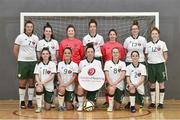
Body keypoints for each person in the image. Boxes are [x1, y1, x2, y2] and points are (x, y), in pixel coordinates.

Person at [13, 20, 39, 109]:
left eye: (31, 27)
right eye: (28, 26)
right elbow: (15, 49)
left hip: (33, 62)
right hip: (23, 62)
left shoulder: (36, 38)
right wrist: (19, 60)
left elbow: (37, 50)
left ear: (33, 28)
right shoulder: (20, 37)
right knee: (22, 82)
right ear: (25, 27)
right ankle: (22, 102)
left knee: (32, 82)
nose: (29, 28)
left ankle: (30, 102)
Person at [123, 20, 147, 109]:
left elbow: (145, 51)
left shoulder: (143, 39)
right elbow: (125, 50)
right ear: (131, 30)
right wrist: (131, 58)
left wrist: (139, 59)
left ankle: (139, 100)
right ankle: (131, 101)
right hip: (129, 62)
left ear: (138, 30)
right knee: (130, 83)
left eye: (136, 29)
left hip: (140, 62)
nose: (134, 30)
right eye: (133, 29)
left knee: (138, 82)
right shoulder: (127, 40)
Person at [145, 27, 168, 109]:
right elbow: (147, 55)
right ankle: (153, 102)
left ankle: (161, 103)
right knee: (152, 84)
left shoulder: (162, 43)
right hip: (151, 65)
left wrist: (163, 62)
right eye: (153, 33)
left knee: (161, 84)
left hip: (160, 65)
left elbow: (165, 54)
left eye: (156, 33)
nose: (154, 35)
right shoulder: (148, 44)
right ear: (151, 35)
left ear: (158, 35)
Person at [102, 29, 125, 106]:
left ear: (116, 35)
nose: (112, 36)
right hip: (108, 68)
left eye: (113, 34)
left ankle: (117, 98)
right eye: (111, 34)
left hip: (117, 67)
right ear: (109, 36)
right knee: (108, 85)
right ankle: (108, 101)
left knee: (117, 84)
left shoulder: (120, 46)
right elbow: (103, 56)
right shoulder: (105, 45)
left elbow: (121, 56)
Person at [77, 44, 102, 111]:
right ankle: (80, 105)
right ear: (85, 54)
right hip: (84, 82)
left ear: (94, 54)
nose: (90, 53)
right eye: (88, 52)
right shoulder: (82, 62)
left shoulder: (98, 62)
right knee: (79, 88)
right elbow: (79, 74)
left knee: (90, 104)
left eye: (91, 52)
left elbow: (100, 75)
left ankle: (90, 100)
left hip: (94, 83)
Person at [34, 47, 56, 113]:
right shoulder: (38, 64)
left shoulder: (52, 64)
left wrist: (43, 82)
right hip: (41, 84)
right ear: (41, 55)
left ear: (49, 55)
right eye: (43, 54)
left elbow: (52, 76)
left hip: (49, 86)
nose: (45, 55)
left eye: (47, 54)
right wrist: (39, 83)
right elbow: (36, 75)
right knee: (38, 88)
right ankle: (39, 107)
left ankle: (47, 100)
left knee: (47, 108)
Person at [57, 47, 78, 111]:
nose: (67, 54)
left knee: (69, 108)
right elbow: (58, 74)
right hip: (62, 85)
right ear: (63, 54)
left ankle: (74, 102)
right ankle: (61, 106)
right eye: (65, 53)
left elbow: (74, 76)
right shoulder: (60, 64)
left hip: (70, 87)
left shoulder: (74, 65)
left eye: (69, 53)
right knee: (61, 88)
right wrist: (62, 83)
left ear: (71, 54)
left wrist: (66, 84)